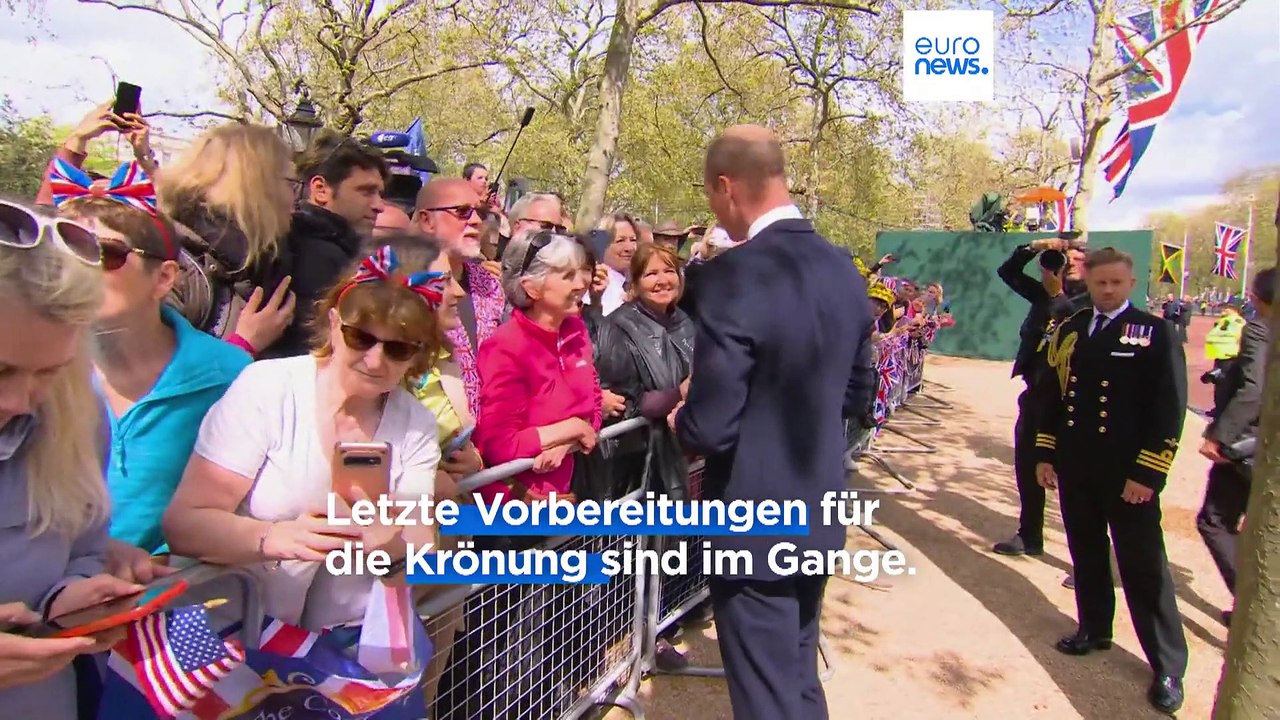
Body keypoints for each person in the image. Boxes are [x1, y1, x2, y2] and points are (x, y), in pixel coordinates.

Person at [670, 125, 876, 720]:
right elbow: (859, 392)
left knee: (766, 694)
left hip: (753, 522)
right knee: (798, 678)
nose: (714, 209)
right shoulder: (844, 269)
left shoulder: (735, 276)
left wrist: (684, 416)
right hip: (820, 508)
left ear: (727, 186)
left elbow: (710, 428)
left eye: (710, 195)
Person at [162, 243, 443, 629]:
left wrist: (390, 548)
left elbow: (420, 553)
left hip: (338, 654)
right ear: (333, 324)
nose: (375, 360)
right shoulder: (269, 387)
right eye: (361, 337)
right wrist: (276, 538)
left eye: (397, 348)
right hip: (234, 640)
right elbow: (185, 525)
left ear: (417, 356)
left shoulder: (416, 424)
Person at [52, 163, 252, 556]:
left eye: (106, 253)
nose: (79, 268)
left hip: (168, 602)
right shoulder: (27, 371)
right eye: (66, 250)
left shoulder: (232, 379)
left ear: (163, 278)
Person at [0, 200, 145, 718]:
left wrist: (73, 597)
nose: (19, 401)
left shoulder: (79, 417)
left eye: (48, 372)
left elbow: (82, 548)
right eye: (2, 371)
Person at [1034, 247, 1188, 714]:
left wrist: (1148, 473)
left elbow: (1169, 409)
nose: (1107, 290)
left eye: (1116, 283)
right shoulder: (1071, 329)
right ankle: (1094, 628)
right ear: (1088, 281)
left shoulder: (1154, 332)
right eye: (1100, 283)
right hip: (1078, 466)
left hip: (1127, 473)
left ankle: (1167, 665)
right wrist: (1045, 453)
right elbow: (1051, 396)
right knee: (1086, 551)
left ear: (1131, 282)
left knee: (1143, 567)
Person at [472, 230, 601, 509]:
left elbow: (595, 407)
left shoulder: (575, 330)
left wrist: (568, 443)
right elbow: (499, 444)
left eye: (582, 272)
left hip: (575, 495)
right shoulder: (505, 347)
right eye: (567, 276)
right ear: (532, 288)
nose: (582, 283)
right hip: (518, 512)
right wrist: (573, 427)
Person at [992, 236, 1089, 558]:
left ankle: (1085, 558)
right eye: (1065, 259)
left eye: (1076, 260)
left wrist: (1057, 295)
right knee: (1027, 467)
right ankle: (1029, 535)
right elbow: (1007, 272)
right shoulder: (1042, 295)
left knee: (1077, 482)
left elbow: (1071, 321)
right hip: (1036, 396)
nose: (1069, 264)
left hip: (1073, 403)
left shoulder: (1093, 301)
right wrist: (1034, 248)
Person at [1197, 267, 1273, 627]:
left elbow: (1254, 390)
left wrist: (1219, 436)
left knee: (1215, 521)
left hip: (1250, 443)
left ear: (1257, 299)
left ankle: (1251, 606)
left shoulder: (1261, 326)